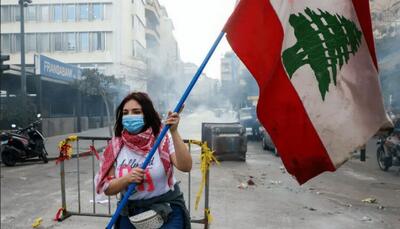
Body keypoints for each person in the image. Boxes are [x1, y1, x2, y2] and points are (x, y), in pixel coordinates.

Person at [95, 92, 192, 229]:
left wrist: (174, 131)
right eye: (126, 112)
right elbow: (108, 189)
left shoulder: (162, 138)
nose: (130, 116)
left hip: (166, 210)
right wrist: (126, 179)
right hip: (130, 214)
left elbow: (186, 166)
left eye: (136, 112)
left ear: (147, 114)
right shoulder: (115, 146)